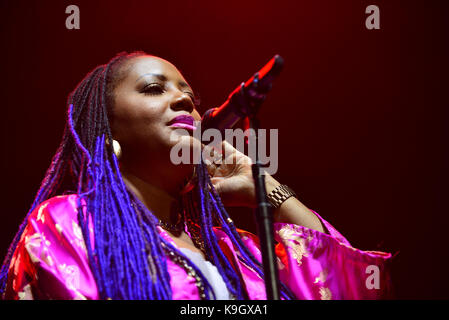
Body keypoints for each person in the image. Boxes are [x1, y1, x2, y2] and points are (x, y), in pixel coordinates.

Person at [0, 51, 392, 300]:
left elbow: (353, 290)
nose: (185, 99)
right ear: (109, 127)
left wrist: (266, 187)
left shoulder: (236, 252)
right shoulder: (71, 223)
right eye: (155, 88)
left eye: (191, 96)